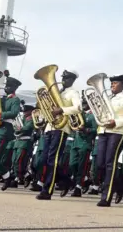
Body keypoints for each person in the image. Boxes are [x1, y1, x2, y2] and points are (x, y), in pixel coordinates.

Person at [36, 70, 81, 200]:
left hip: (62, 128)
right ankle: (66, 181)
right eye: (63, 78)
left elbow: (78, 108)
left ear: (72, 80)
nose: (64, 80)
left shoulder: (73, 93)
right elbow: (48, 109)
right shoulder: (56, 91)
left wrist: (62, 110)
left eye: (67, 78)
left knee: (53, 160)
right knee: (43, 160)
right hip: (50, 127)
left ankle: (47, 191)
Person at [94, 74, 123, 207]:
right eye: (111, 83)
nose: (112, 85)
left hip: (117, 132)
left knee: (110, 164)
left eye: (115, 83)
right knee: (100, 164)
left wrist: (116, 122)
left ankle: (106, 197)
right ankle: (118, 186)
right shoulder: (106, 98)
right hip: (103, 131)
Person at [68, 97, 97, 197]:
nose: (83, 104)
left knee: (81, 167)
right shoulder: (79, 113)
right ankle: (84, 180)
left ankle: (78, 188)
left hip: (85, 143)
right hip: (75, 142)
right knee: (72, 164)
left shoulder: (93, 116)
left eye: (85, 103)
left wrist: (86, 130)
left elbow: (96, 130)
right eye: (83, 102)